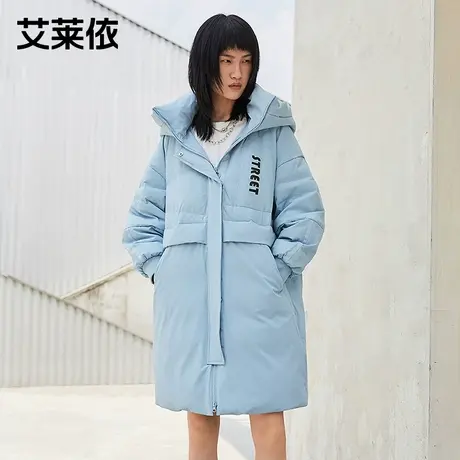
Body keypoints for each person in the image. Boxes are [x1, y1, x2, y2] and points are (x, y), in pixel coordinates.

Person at [122, 13, 325, 460]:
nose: (237, 73)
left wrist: (273, 272)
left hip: (258, 301)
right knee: (199, 413)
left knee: (267, 412)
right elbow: (143, 220)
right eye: (227, 61)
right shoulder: (175, 139)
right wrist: (165, 272)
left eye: (246, 61)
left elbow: (305, 212)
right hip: (192, 301)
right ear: (204, 64)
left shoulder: (272, 133)